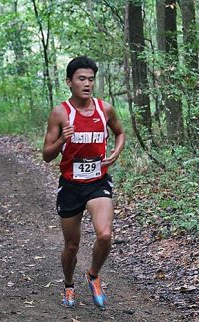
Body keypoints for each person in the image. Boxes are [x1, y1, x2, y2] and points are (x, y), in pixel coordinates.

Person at [42, 56, 125, 309]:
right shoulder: (60, 113)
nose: (87, 84)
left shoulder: (105, 109)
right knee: (71, 244)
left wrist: (116, 152)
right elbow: (47, 155)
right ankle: (68, 285)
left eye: (90, 79)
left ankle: (93, 275)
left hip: (97, 181)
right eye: (81, 79)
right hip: (70, 185)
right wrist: (62, 141)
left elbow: (120, 132)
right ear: (69, 82)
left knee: (105, 234)